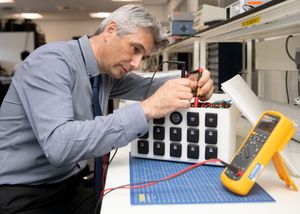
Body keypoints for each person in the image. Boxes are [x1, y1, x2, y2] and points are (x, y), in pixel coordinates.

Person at [0, 4, 214, 214]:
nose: (136, 63)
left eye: (144, 56)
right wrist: (147, 108)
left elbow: (146, 86)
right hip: (22, 195)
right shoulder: (51, 62)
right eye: (135, 49)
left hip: (66, 186)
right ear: (110, 30)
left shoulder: (103, 73)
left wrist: (191, 80)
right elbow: (59, 146)